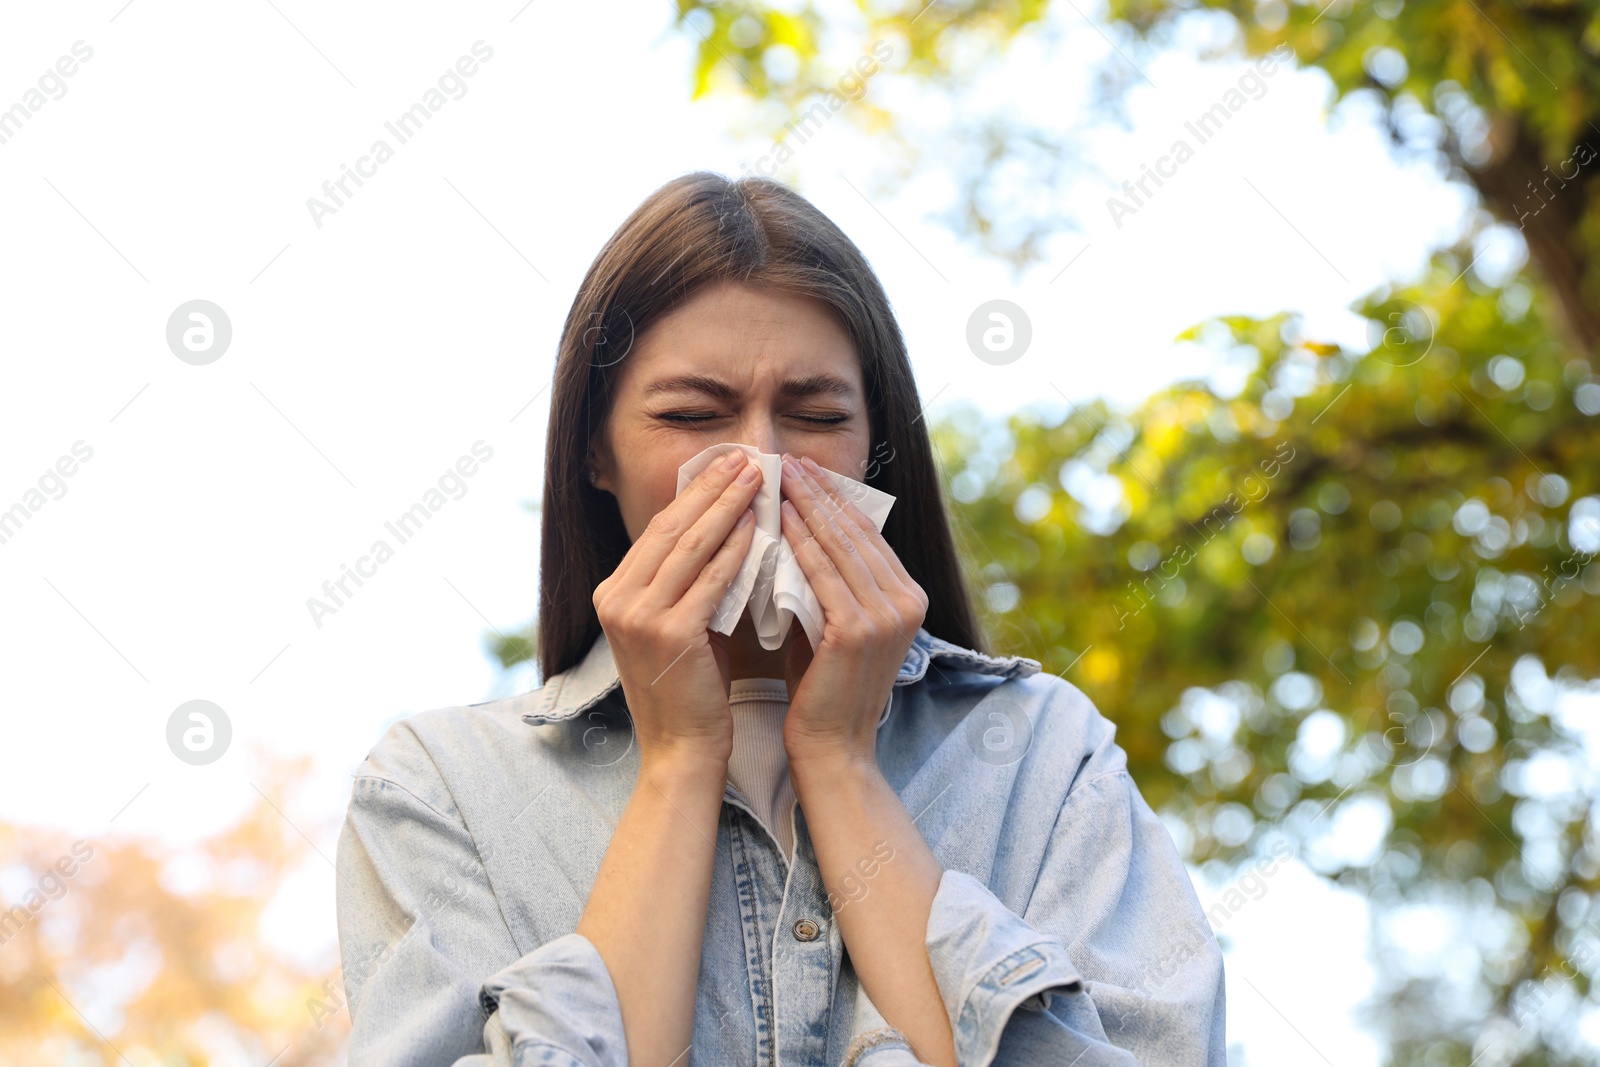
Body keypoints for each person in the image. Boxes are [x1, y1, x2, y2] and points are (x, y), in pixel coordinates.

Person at [335, 172, 1225, 1066]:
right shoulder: (439, 790)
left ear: (877, 450)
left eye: (814, 415)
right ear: (594, 456)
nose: (760, 465)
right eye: (692, 414)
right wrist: (680, 762)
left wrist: (840, 760)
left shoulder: (1039, 753)